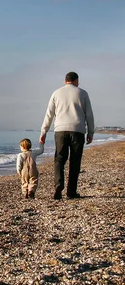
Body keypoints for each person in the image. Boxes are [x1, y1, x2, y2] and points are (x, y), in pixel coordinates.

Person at [40, 72, 95, 200]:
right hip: (78, 130)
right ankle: (71, 192)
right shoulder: (83, 93)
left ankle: (58, 185)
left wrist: (43, 132)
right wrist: (91, 132)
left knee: (59, 159)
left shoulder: (56, 93)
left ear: (65, 81)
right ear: (76, 80)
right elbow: (89, 115)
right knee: (75, 161)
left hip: (60, 130)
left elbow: (49, 114)